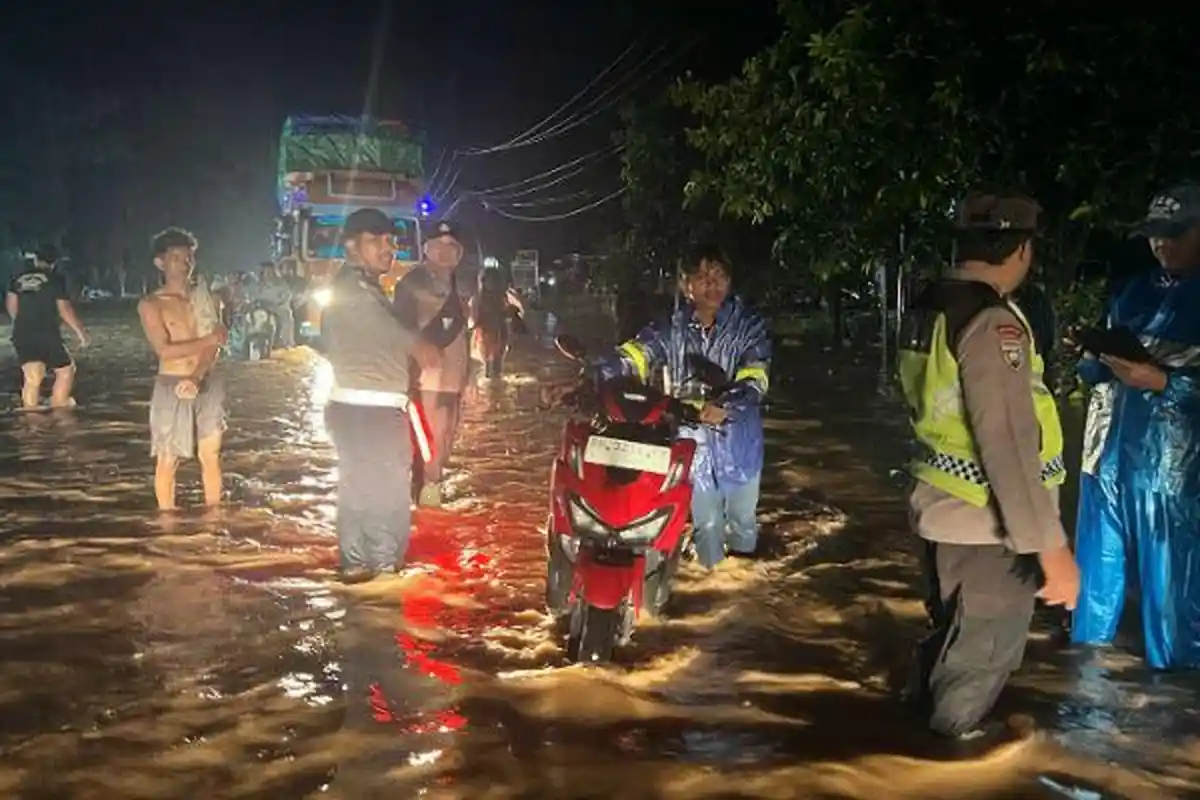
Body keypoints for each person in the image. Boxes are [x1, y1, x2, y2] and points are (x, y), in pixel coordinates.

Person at [898, 191, 1080, 741]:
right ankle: (942, 764)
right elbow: (1008, 447)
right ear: (1021, 249)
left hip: (940, 516)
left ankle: (909, 734)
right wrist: (1053, 551)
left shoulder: (930, 304)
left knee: (954, 641)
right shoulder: (990, 320)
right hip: (986, 529)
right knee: (981, 661)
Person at [1071, 183, 1200, 670]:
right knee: (1093, 594)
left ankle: (1171, 716)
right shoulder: (1135, 289)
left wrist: (1164, 382)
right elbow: (1095, 371)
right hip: (1104, 458)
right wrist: (1092, 358)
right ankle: (1080, 708)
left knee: (1173, 601)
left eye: (1174, 234)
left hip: (1172, 476)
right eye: (1154, 236)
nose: (1161, 245)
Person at [592, 244, 771, 569]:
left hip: (741, 443)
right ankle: (715, 592)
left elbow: (755, 377)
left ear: (729, 281)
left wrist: (726, 403)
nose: (711, 284)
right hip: (692, 443)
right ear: (686, 285)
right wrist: (596, 374)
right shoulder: (669, 328)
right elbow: (635, 355)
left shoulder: (749, 327)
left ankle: (744, 596)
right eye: (702, 276)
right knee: (707, 525)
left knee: (743, 524)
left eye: (718, 275)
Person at [322, 207, 439, 581]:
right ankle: (385, 571)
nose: (387, 248)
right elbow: (389, 332)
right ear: (351, 247)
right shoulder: (354, 289)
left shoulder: (361, 286)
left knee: (358, 490)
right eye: (375, 241)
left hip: (358, 406)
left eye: (390, 241)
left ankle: (357, 566)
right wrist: (420, 346)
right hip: (371, 410)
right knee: (388, 492)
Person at [137, 228, 228, 511]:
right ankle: (167, 524)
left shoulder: (207, 299)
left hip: (207, 379)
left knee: (211, 454)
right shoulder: (151, 304)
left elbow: (216, 346)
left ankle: (214, 520)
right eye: (176, 257)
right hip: (172, 383)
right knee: (168, 458)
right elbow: (164, 350)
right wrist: (208, 340)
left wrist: (197, 375)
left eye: (189, 257)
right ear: (160, 262)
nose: (185, 263)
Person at [392, 219, 473, 508]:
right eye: (438, 245)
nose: (445, 251)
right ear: (426, 249)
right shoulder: (412, 283)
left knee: (446, 435)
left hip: (454, 378)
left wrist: (470, 377)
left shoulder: (463, 285)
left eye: (452, 246)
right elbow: (398, 330)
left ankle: (432, 488)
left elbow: (465, 334)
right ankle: (424, 494)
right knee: (427, 439)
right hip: (425, 379)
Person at [5, 244, 88, 409]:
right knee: (65, 371)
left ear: (36, 259)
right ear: (54, 262)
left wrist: (21, 323)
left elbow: (11, 303)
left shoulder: (18, 278)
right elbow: (64, 309)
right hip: (46, 333)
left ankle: (30, 416)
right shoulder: (54, 278)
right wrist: (80, 332)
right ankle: (59, 406)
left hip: (22, 333)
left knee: (32, 377)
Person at [470, 266, 526, 380]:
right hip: (485, 333)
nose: (490, 283)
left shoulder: (504, 295)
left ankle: (496, 385)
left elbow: (520, 309)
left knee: (498, 362)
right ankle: (491, 386)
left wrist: (511, 314)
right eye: (487, 280)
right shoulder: (478, 297)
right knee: (487, 364)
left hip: (501, 331)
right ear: (483, 281)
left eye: (493, 280)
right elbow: (473, 316)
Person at [257, 261, 296, 349]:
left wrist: (276, 305)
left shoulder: (281, 283)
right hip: (263, 309)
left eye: (269, 272)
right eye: (265, 272)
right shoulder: (258, 285)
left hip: (279, 309)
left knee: (285, 316)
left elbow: (286, 296)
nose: (268, 274)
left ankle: (284, 341)